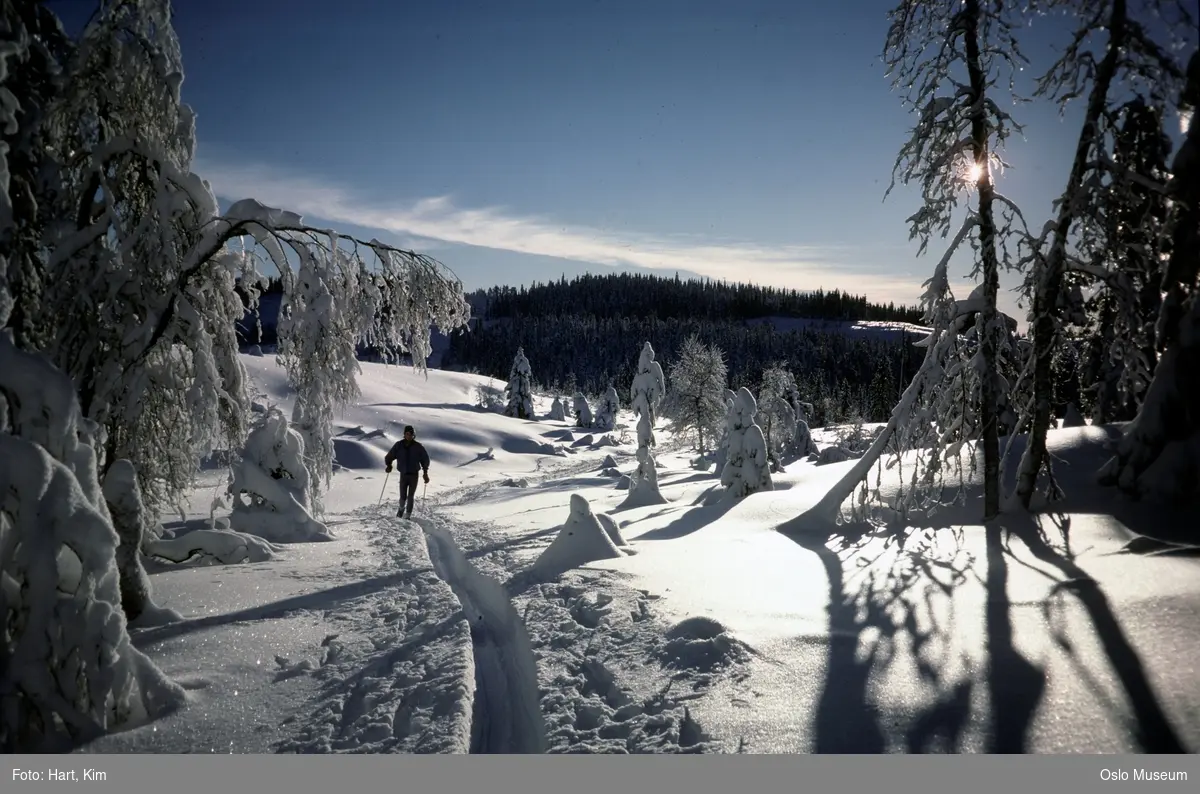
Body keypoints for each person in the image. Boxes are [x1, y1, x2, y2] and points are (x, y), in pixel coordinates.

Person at [384, 425, 430, 519]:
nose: (409, 436)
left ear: (414, 435)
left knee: (410, 496)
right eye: (407, 434)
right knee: (402, 496)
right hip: (403, 474)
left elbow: (425, 459)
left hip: (414, 475)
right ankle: (401, 509)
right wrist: (389, 464)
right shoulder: (399, 445)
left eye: (411, 434)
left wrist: (425, 472)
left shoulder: (418, 447)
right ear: (404, 434)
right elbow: (390, 456)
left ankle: (408, 515)